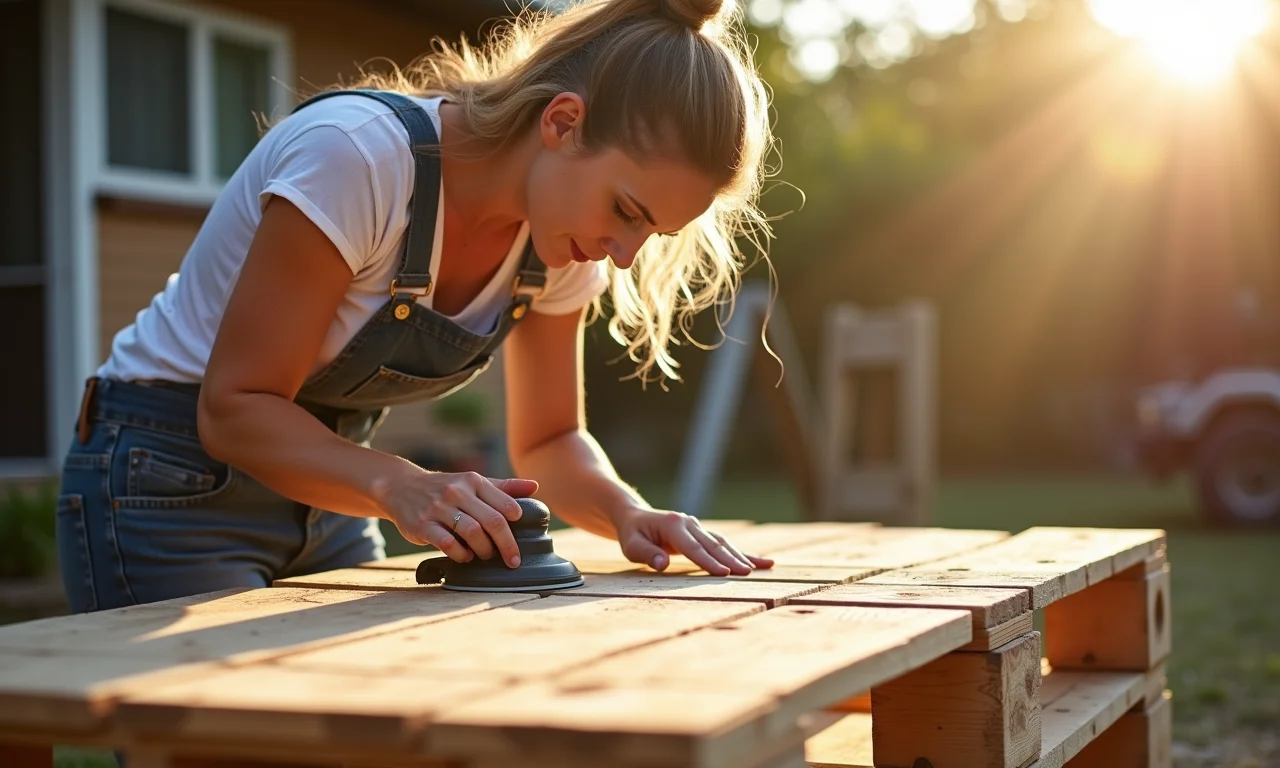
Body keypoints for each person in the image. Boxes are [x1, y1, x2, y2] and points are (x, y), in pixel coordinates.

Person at [55, 0, 778, 615]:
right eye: (626, 211)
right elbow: (235, 407)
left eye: (652, 232)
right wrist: (401, 484)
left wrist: (628, 514)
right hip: (161, 480)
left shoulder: (556, 249)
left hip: (330, 493)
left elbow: (552, 440)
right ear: (562, 123)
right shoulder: (358, 160)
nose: (624, 252)